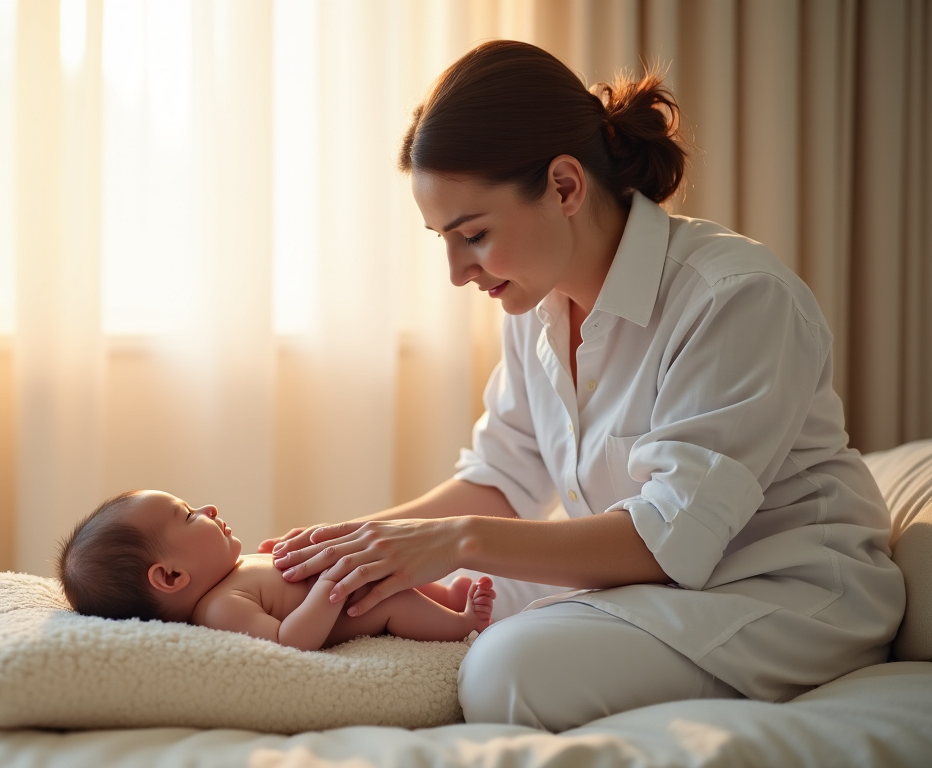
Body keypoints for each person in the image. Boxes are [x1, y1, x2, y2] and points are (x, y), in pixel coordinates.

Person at [261, 40, 905, 731]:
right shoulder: (534, 304)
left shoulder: (736, 298)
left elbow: (665, 541)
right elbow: (503, 482)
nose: (456, 272)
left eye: (472, 235)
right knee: (390, 600)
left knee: (506, 669)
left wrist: (451, 539)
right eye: (442, 239)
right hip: (646, 583)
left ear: (565, 186)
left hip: (780, 599)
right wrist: (347, 543)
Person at [56, 490, 495, 650]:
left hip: (352, 584)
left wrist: (277, 554)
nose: (208, 507)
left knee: (391, 572)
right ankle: (459, 625)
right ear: (171, 577)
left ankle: (447, 595)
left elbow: (274, 581)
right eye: (190, 515)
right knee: (394, 602)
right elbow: (289, 641)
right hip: (356, 608)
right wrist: (326, 587)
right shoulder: (220, 608)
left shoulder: (230, 573)